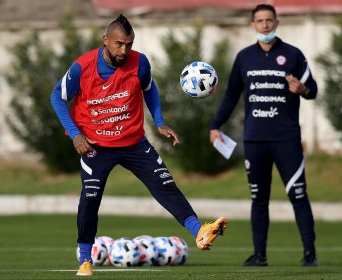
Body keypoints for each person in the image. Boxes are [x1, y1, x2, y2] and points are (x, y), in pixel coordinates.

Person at [51, 14, 228, 276]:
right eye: (119, 44)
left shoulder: (139, 62)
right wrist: (75, 134)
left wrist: (159, 121)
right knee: (90, 200)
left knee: (165, 186)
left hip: (134, 142)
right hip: (95, 146)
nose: (124, 50)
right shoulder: (82, 67)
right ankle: (85, 259)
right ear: (106, 41)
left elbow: (149, 87)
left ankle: (200, 232)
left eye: (129, 44)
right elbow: (57, 96)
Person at [209, 4, 317, 267]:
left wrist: (302, 88)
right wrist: (215, 125)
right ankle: (259, 255)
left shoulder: (293, 55)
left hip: (287, 139)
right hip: (255, 140)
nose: (265, 25)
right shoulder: (245, 57)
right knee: (259, 199)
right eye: (260, 21)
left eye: (270, 20)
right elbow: (231, 96)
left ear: (277, 23)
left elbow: (313, 90)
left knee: (298, 195)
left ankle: (310, 254)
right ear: (253, 25)